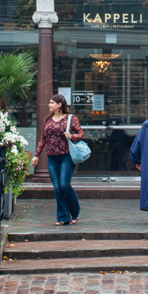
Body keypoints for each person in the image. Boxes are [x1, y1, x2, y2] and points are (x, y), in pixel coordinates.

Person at [31, 94, 84, 226]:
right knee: (57, 188)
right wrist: (36, 155)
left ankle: (75, 211)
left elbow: (81, 134)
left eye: (51, 103)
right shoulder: (48, 120)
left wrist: (71, 136)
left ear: (59, 104)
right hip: (52, 157)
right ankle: (63, 217)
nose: (49, 105)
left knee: (64, 185)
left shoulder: (71, 119)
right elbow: (43, 139)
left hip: (66, 156)